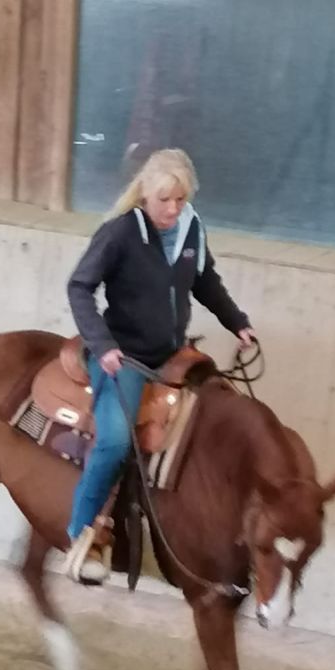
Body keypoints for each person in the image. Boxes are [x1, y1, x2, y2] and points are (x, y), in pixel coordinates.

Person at [63, 148, 256, 583]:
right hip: (124, 356)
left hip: (172, 356)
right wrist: (103, 344)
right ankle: (80, 532)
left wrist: (237, 322)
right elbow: (80, 287)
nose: (172, 209)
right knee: (115, 440)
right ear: (145, 194)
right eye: (164, 199)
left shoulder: (191, 229)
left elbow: (205, 282)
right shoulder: (120, 232)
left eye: (180, 200)